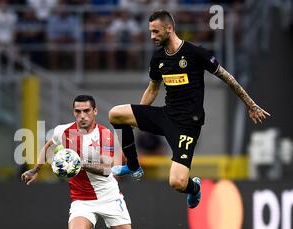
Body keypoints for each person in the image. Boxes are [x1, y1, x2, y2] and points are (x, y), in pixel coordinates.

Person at [108, 10, 270, 208]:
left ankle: (194, 188)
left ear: (169, 28)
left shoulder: (195, 53)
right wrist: (138, 117)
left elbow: (227, 77)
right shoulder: (158, 58)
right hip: (165, 115)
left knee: (177, 182)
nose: (152, 36)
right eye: (150, 32)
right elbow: (152, 90)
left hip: (186, 126)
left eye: (156, 31)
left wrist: (250, 104)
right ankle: (133, 165)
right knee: (116, 114)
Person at [21, 95, 143, 229]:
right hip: (82, 198)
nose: (82, 115)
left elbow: (106, 169)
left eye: (86, 111)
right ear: (73, 113)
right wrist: (35, 169)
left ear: (95, 111)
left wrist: (79, 163)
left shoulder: (105, 135)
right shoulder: (63, 131)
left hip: (109, 195)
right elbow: (48, 146)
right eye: (78, 111)